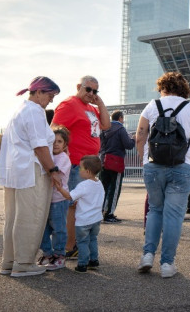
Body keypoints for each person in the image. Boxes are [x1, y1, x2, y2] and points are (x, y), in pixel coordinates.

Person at [136, 72, 190, 279]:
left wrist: (145, 160)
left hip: (153, 166)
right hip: (182, 166)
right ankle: (167, 264)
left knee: (155, 210)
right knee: (174, 215)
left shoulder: (151, 106)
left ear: (162, 87)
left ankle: (147, 255)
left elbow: (140, 136)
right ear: (183, 88)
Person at [0, 75, 64, 278]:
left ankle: (9, 261)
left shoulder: (20, 109)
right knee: (30, 217)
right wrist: (53, 170)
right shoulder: (35, 111)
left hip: (16, 170)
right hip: (32, 170)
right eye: (51, 95)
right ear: (39, 92)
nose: (52, 100)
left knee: (14, 217)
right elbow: (40, 145)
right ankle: (23, 262)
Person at [52, 75, 110, 259]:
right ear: (79, 87)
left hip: (88, 164)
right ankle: (69, 246)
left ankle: (73, 244)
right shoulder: (69, 104)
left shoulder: (91, 108)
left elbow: (106, 124)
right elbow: (55, 128)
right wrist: (64, 151)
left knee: (81, 204)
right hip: (76, 162)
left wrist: (99, 101)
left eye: (95, 91)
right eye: (88, 89)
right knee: (72, 205)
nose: (91, 93)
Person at [53, 155, 104, 273]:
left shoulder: (83, 185)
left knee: (82, 242)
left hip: (83, 220)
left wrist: (60, 189)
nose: (78, 170)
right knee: (93, 239)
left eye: (80, 168)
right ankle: (94, 260)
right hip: (96, 219)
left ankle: (82, 264)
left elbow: (69, 196)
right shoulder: (99, 183)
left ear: (87, 171)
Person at [39, 126, 71, 271]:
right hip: (45, 199)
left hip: (58, 200)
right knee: (43, 229)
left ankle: (59, 255)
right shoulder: (48, 157)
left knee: (58, 229)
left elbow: (54, 174)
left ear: (65, 144)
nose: (56, 144)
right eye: (53, 141)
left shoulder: (63, 158)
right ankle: (47, 253)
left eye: (60, 141)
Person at [99, 110, 134, 223]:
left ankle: (99, 212)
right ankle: (109, 214)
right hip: (116, 162)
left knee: (103, 188)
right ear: (120, 118)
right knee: (114, 189)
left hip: (104, 161)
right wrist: (133, 139)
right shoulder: (120, 129)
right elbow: (128, 145)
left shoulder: (104, 128)